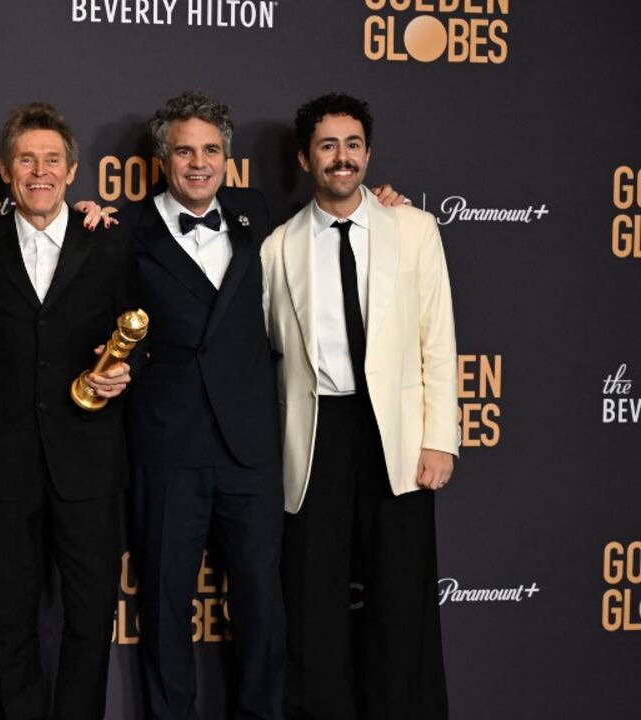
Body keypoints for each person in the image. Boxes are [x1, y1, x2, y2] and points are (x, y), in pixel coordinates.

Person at [261, 92, 456, 720]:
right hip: (317, 433)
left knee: (402, 601)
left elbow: (438, 337)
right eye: (327, 146)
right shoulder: (277, 247)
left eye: (352, 145)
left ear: (368, 153)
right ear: (304, 158)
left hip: (395, 435)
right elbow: (265, 347)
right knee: (313, 604)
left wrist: (440, 438)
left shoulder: (415, 229)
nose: (341, 158)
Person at [0, 103, 138, 720]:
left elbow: (141, 334)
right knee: (8, 619)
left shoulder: (107, 243)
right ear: (4, 169)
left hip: (89, 459)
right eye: (26, 159)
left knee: (88, 618)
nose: (39, 171)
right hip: (3, 461)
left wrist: (127, 372)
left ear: (73, 170)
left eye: (52, 159)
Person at [120, 90, 286, 720]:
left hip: (249, 446)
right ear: (163, 158)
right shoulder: (124, 229)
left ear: (227, 158)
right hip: (168, 445)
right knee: (165, 607)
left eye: (211, 150)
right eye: (184, 150)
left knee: (262, 607)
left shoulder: (258, 212)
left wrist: (384, 204)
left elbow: (331, 221)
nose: (198, 163)